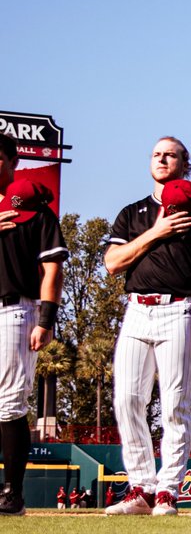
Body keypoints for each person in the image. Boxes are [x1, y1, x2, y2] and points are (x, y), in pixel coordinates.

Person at [104, 137, 191, 517]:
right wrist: (156, 231)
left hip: (179, 309)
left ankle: (167, 490)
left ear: (184, 164)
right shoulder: (133, 213)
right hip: (137, 309)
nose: (161, 158)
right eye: (156, 153)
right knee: (127, 400)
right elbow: (112, 263)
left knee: (175, 405)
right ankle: (140, 487)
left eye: (170, 154)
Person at [0, 142, 64, 519]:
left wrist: (46, 319)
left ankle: (12, 494)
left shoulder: (34, 210)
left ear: (13, 161)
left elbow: (52, 269)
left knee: (9, 404)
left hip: (14, 309)